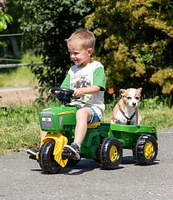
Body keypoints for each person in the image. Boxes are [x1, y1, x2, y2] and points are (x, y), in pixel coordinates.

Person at [27, 28, 106, 160]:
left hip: (92, 108)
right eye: (70, 53)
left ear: (89, 51)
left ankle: (76, 146)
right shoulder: (72, 70)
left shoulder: (96, 67)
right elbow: (64, 87)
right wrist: (55, 91)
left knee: (82, 113)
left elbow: (98, 86)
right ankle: (44, 145)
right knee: (48, 112)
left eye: (76, 53)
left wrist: (83, 90)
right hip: (74, 107)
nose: (72, 56)